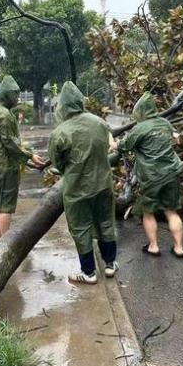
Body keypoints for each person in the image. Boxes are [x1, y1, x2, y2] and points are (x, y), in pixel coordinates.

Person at [49, 81, 118, 284]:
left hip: (77, 188)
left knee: (81, 228)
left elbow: (57, 162)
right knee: (106, 221)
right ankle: (110, 265)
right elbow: (107, 145)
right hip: (103, 183)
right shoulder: (99, 122)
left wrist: (70, 171)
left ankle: (88, 273)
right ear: (80, 101)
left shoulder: (60, 132)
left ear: (62, 106)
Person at [110, 92, 183, 258]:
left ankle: (154, 246)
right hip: (172, 172)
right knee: (171, 211)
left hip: (152, 177)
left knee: (148, 212)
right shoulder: (165, 123)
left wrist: (109, 139)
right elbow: (178, 139)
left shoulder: (140, 128)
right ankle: (179, 248)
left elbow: (122, 146)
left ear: (140, 112)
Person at [0, 75, 44, 242]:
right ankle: (5, 244)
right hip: (4, 166)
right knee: (5, 205)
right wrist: (30, 156)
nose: (17, 98)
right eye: (15, 94)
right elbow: (9, 143)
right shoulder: (5, 114)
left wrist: (27, 160)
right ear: (7, 95)